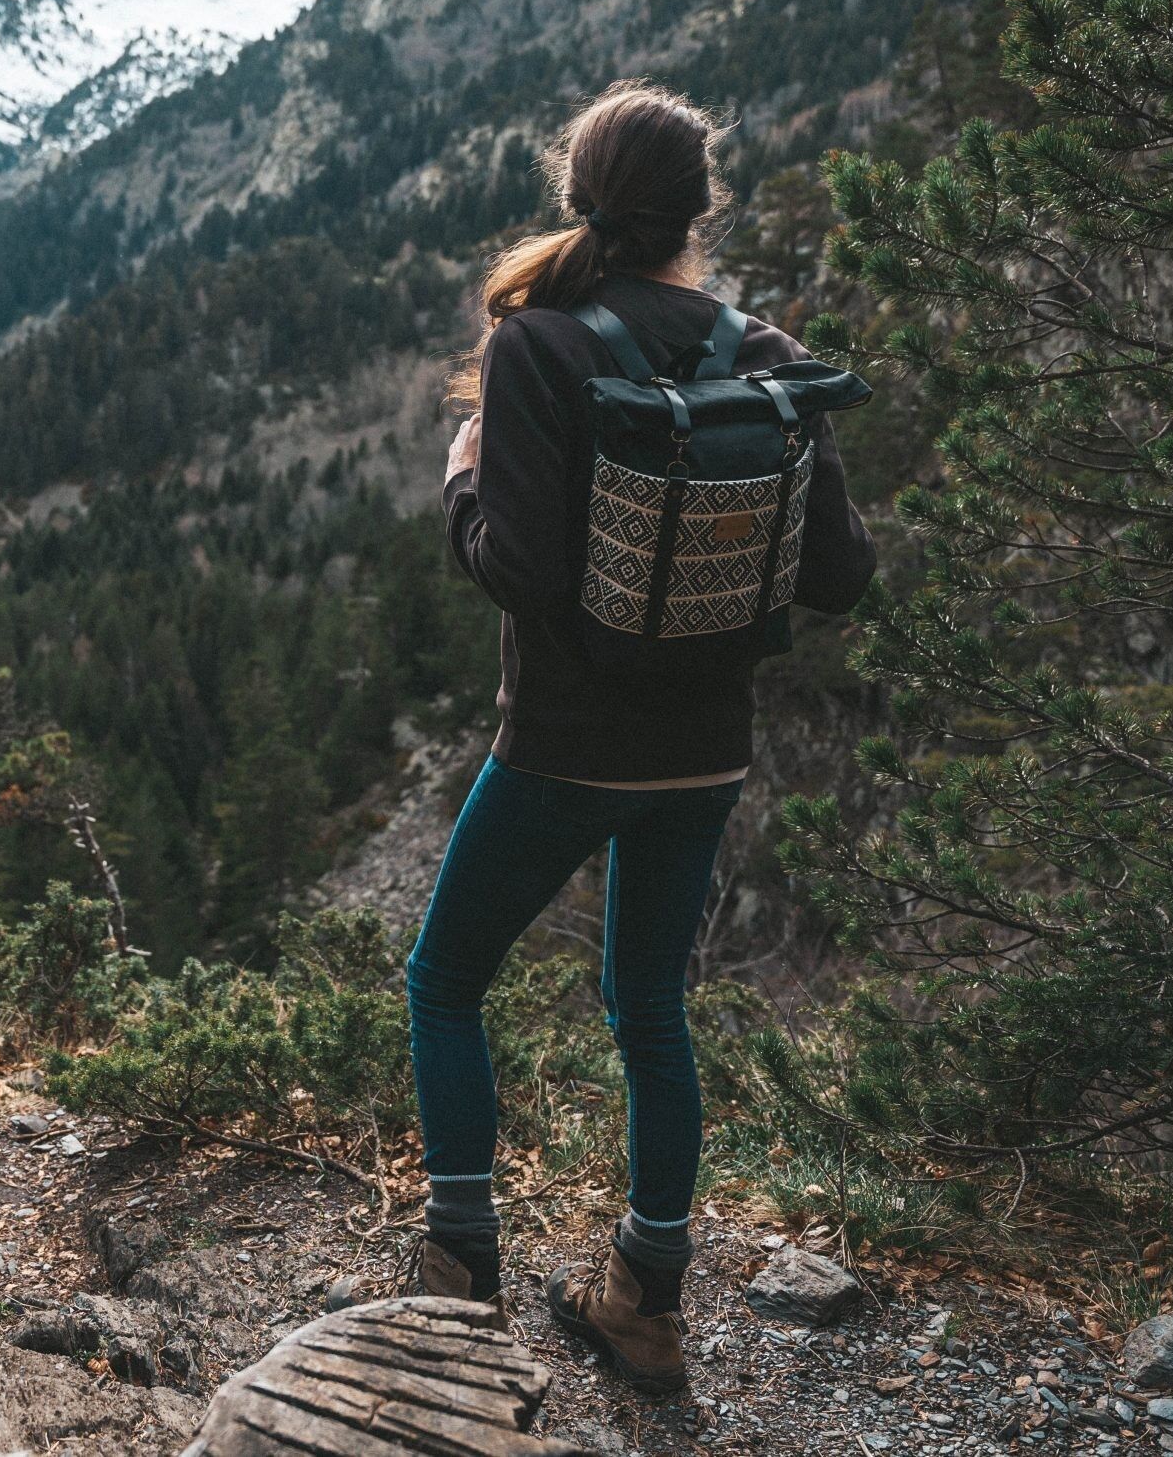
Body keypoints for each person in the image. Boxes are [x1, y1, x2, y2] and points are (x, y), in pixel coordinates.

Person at [409, 80, 876, 1394]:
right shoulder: (766, 351)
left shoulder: (540, 346)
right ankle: (644, 1304)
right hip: (704, 755)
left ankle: (456, 1272)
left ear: (580, 197)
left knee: (445, 983)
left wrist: (460, 475)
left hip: (562, 745)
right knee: (650, 1007)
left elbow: (522, 574)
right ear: (700, 210)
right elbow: (840, 576)